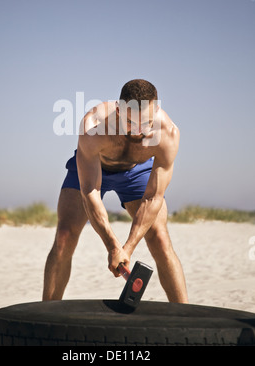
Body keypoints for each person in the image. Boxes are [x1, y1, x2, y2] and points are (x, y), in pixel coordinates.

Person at [43, 79, 188, 303]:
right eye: (131, 122)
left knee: (159, 237)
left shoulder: (167, 134)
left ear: (157, 109)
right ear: (119, 109)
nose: (139, 130)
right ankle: (45, 318)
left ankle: (184, 319)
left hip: (137, 171)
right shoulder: (94, 126)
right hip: (92, 169)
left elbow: (153, 197)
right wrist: (112, 246)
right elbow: (90, 190)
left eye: (146, 122)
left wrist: (127, 248)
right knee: (64, 236)